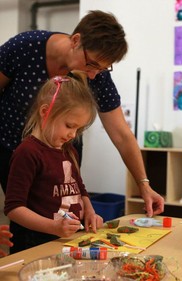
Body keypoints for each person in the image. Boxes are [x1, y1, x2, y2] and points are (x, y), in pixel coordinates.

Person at [0, 10, 164, 217]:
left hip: (63, 153)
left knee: (67, 216)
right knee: (31, 217)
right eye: (92, 64)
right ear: (76, 40)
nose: (95, 73)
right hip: (13, 148)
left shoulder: (96, 75)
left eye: (103, 69)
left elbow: (121, 134)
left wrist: (144, 185)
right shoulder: (24, 47)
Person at [4, 72, 104, 254]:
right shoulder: (27, 152)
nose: (73, 135)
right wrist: (53, 227)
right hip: (36, 246)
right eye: (69, 125)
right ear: (45, 112)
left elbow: (80, 189)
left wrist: (89, 211)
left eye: (78, 129)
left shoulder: (68, 150)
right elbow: (14, 208)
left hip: (68, 242)